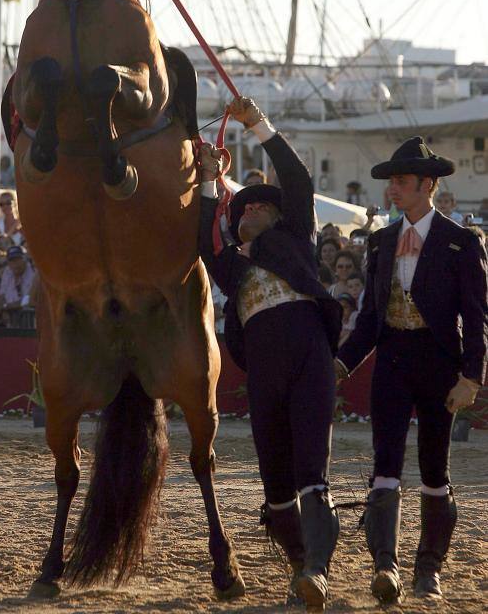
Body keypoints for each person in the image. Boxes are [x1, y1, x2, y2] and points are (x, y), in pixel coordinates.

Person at [198, 97, 342, 609]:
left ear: (280, 216)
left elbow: (296, 178)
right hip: (262, 370)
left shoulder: (296, 235)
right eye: (243, 209)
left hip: (308, 356)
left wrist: (256, 124)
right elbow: (202, 235)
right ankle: (301, 563)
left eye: (261, 205)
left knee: (312, 471)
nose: (251, 209)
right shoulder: (231, 268)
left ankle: (317, 571)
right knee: (275, 478)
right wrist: (211, 180)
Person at [335, 136, 487, 603]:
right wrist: (339, 364)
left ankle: (428, 570)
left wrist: (470, 377)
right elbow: (370, 320)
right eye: (392, 182)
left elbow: (478, 316)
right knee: (384, 463)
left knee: (434, 468)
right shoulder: (380, 242)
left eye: (401, 182)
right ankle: (386, 566)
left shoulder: (462, 242)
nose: (393, 190)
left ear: (428, 185)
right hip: (393, 362)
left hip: (440, 366)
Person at [0, 245, 35, 325]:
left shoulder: (33, 271)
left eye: (18, 259)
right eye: (12, 261)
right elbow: (2, 294)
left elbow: (28, 299)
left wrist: (7, 307)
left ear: (24, 259)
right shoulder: (7, 271)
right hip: (10, 318)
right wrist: (4, 308)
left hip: (29, 318)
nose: (15, 264)